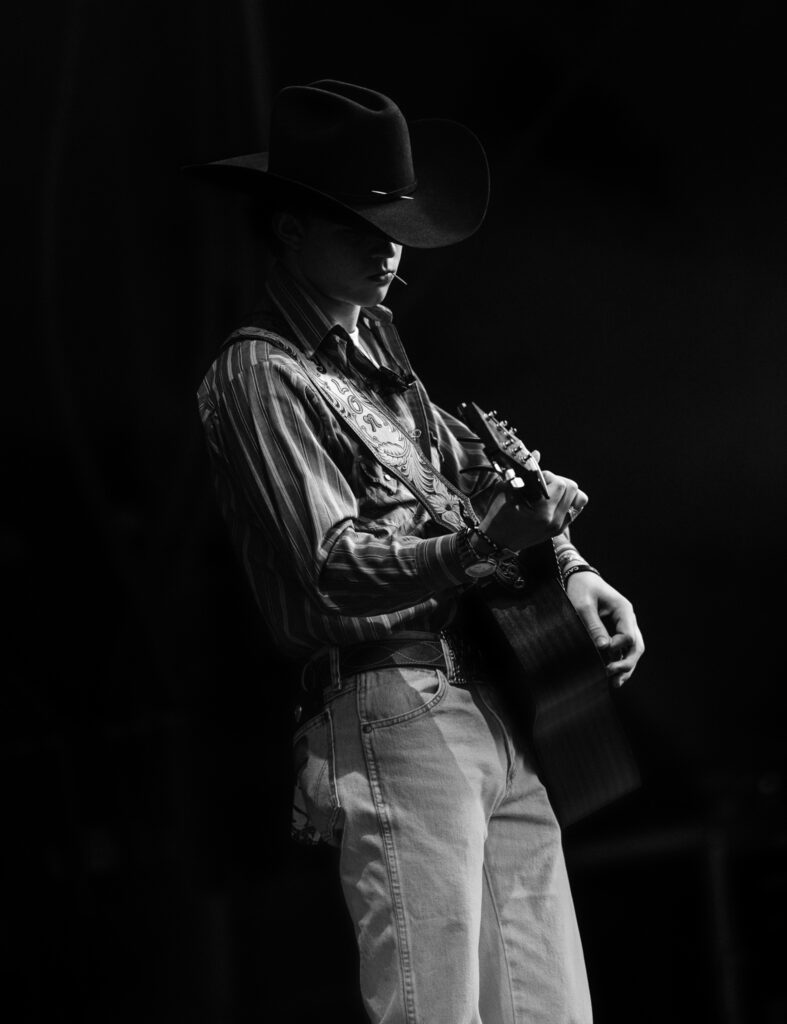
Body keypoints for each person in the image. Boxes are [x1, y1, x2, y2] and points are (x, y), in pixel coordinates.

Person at [191, 80, 644, 1024]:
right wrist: (481, 544)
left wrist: (573, 570)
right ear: (288, 230)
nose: (387, 245)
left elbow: (481, 479)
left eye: (394, 223)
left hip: (488, 697)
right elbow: (330, 564)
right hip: (390, 697)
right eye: (358, 225)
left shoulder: (383, 358)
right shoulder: (257, 371)